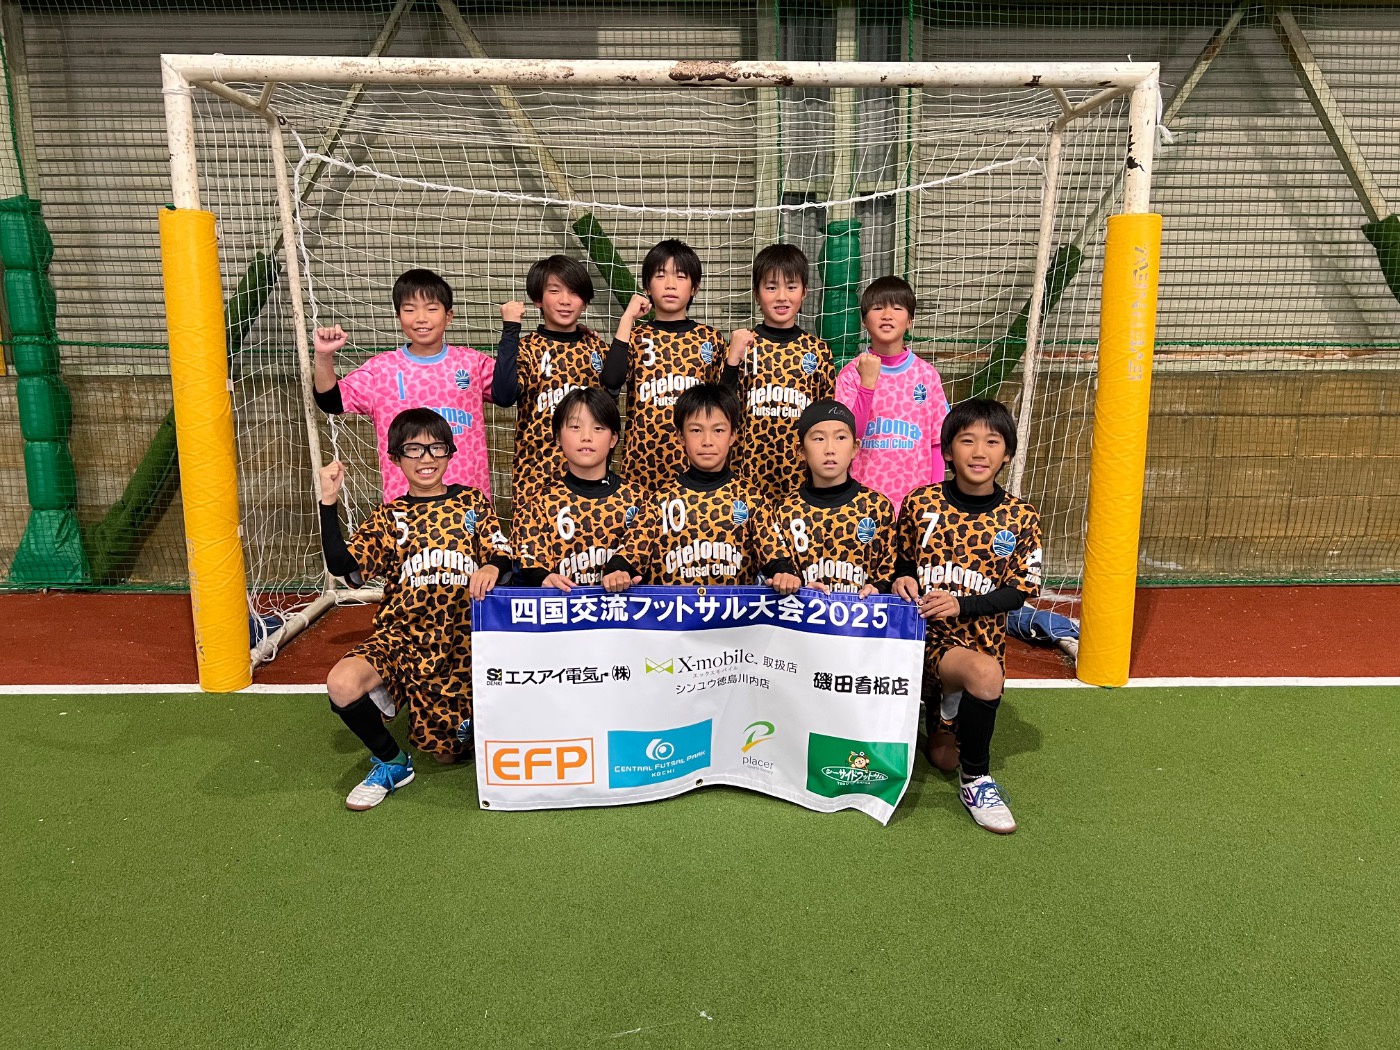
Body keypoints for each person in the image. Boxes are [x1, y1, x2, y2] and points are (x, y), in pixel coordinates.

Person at [318, 408, 511, 811]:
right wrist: (328, 501)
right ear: (395, 458)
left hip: (459, 645)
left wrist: (492, 565)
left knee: (448, 754)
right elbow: (342, 564)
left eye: (436, 447)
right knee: (342, 683)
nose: (426, 458)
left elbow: (502, 553)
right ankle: (392, 761)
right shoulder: (389, 517)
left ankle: (405, 700)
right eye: (414, 449)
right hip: (402, 637)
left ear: (450, 453)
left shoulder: (472, 502)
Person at [892, 398, 1043, 835]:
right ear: (947, 450)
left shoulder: (1020, 516)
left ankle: (955, 729)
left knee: (945, 756)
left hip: (979, 644)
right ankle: (973, 773)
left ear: (1007, 453)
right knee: (983, 677)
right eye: (967, 440)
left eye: (992, 442)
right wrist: (902, 578)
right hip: (922, 641)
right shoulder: (920, 503)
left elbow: (1019, 591)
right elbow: (901, 561)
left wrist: (963, 605)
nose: (979, 452)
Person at [313, 268, 505, 501]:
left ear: (449, 316)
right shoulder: (382, 369)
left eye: (431, 309)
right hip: (404, 505)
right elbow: (331, 401)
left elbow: (511, 390)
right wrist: (323, 356)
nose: (421, 318)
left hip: (468, 502)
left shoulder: (472, 363)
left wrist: (511, 331)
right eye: (410, 309)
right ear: (398, 316)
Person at [602, 383, 760, 590]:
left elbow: (775, 554)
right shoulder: (660, 500)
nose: (707, 441)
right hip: (673, 611)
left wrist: (782, 572)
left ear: (732, 436)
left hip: (733, 611)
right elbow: (630, 551)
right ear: (680, 436)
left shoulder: (751, 498)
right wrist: (617, 571)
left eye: (718, 430)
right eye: (696, 430)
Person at [600, 239, 726, 496]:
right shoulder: (636, 336)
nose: (670, 284)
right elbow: (611, 381)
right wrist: (627, 319)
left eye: (680, 276)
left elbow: (723, 403)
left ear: (694, 287)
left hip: (696, 465)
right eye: (660, 276)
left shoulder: (710, 339)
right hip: (642, 466)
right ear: (647, 286)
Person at [492, 255, 610, 499]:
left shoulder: (598, 349)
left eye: (574, 292)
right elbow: (503, 396)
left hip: (590, 480)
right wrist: (511, 330)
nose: (565, 300)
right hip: (536, 478)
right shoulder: (527, 349)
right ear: (538, 299)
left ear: (585, 302)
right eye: (555, 291)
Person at [723, 244, 835, 499]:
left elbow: (826, 418)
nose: (782, 297)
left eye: (791, 287)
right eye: (771, 287)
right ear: (756, 293)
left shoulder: (818, 351)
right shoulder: (743, 345)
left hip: (801, 478)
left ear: (805, 292)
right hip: (747, 475)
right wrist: (731, 362)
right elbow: (722, 408)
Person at [754, 399, 896, 597]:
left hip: (861, 616)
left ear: (855, 448)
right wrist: (795, 586)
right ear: (801, 451)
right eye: (819, 439)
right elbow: (774, 572)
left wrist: (878, 589)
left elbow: (890, 572)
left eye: (840, 437)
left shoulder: (877, 507)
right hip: (803, 616)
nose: (830, 448)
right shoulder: (783, 512)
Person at [835, 276, 949, 516]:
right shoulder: (850, 375)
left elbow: (937, 440)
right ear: (864, 320)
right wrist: (867, 385)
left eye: (897, 308)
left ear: (910, 320)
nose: (887, 315)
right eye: (878, 308)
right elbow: (848, 435)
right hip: (863, 503)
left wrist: (936, 495)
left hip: (916, 504)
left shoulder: (927, 375)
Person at [512, 387, 639, 589]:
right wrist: (542, 578)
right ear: (557, 438)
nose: (586, 436)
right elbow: (532, 565)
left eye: (598, 428)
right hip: (562, 608)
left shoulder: (639, 500)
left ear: (613, 439)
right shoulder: (539, 504)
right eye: (575, 427)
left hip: (623, 610)